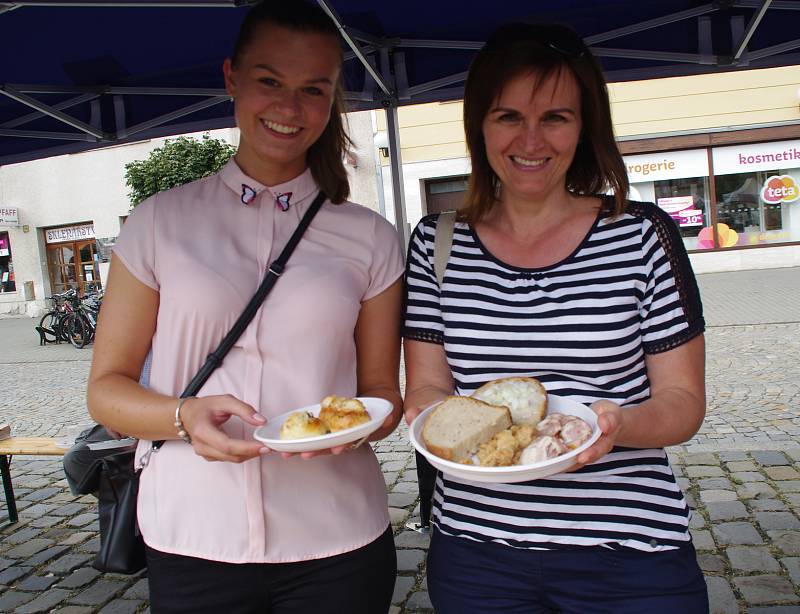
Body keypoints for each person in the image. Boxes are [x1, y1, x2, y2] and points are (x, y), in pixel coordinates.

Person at [86, 2, 404, 613]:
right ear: (232, 78)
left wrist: (366, 421)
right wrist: (184, 416)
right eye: (269, 82)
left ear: (333, 97)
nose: (289, 108)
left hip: (337, 536)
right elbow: (106, 389)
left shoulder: (369, 237)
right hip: (193, 534)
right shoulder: (160, 223)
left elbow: (379, 391)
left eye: (313, 89)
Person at [403, 22, 709, 614]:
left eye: (556, 118)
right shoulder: (437, 244)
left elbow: (682, 402)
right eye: (508, 116)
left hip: (628, 552)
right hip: (477, 552)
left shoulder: (643, 236)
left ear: (585, 126)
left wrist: (616, 427)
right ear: (480, 126)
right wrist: (425, 412)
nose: (531, 140)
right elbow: (430, 383)